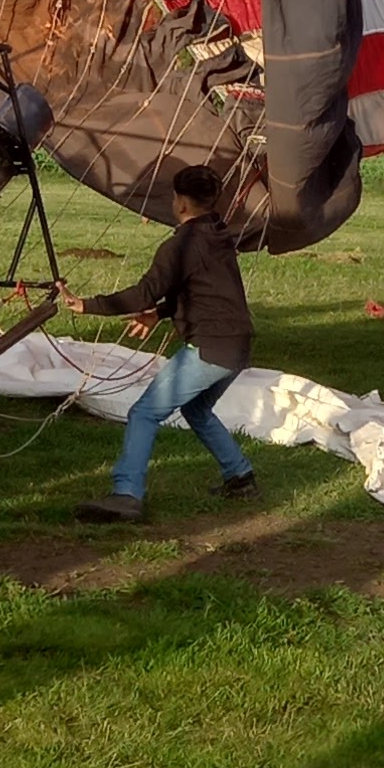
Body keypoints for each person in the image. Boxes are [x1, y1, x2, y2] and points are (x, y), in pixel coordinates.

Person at [73, 164, 259, 524]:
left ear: (181, 203)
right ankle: (240, 477)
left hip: (210, 347)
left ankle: (126, 494)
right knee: (197, 410)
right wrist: (158, 315)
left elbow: (143, 292)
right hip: (237, 346)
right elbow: (202, 287)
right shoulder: (218, 234)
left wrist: (87, 304)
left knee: (144, 413)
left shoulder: (179, 244)